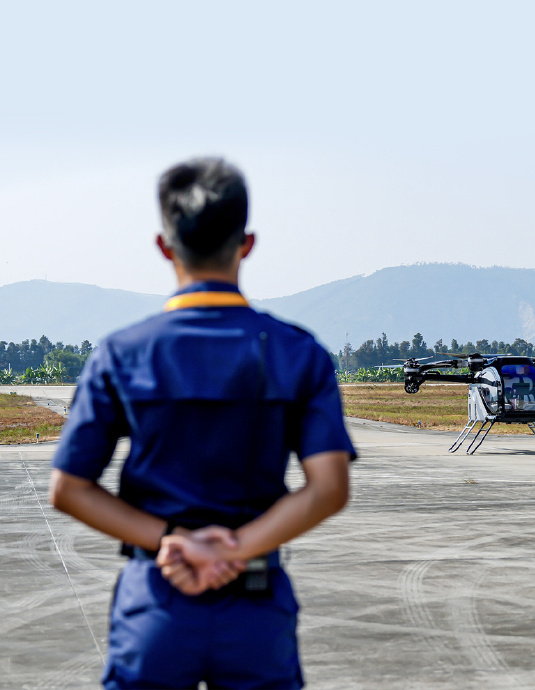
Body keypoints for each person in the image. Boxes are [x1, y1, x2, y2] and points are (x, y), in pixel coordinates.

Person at [50, 156, 356, 689]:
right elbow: (328, 489)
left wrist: (171, 540)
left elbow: (70, 488)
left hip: (157, 600)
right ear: (247, 243)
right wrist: (236, 548)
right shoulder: (297, 352)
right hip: (256, 601)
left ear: (165, 246)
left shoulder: (123, 354)